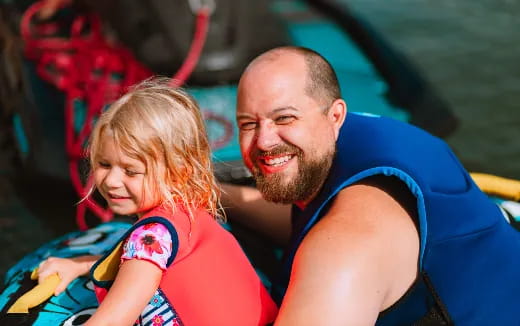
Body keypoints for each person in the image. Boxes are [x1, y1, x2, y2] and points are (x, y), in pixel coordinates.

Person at [221, 46, 520, 325]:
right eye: (248, 124)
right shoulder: (348, 141)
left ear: (335, 115)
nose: (263, 140)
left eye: (284, 118)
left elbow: (338, 239)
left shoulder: (347, 248)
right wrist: (215, 194)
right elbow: (301, 222)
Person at [36, 77, 278, 326]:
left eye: (131, 171)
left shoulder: (151, 236)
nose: (112, 181)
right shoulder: (190, 210)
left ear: (179, 172)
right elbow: (144, 266)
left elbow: (111, 322)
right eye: (104, 164)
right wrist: (80, 265)